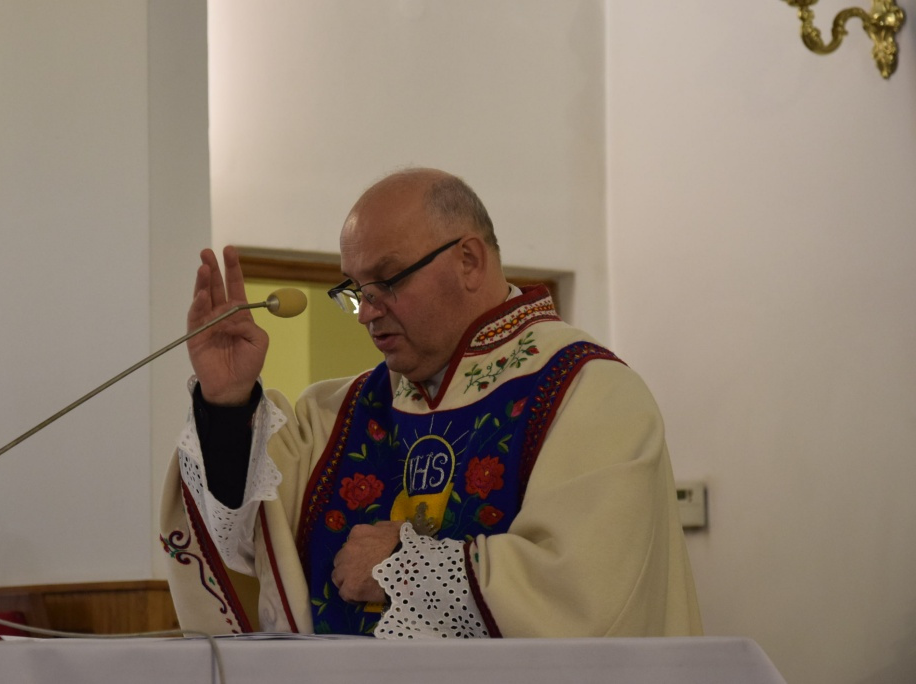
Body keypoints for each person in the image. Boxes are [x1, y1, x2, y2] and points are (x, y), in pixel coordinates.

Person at [160, 168, 702, 638]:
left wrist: (403, 566)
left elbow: (583, 591)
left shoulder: (586, 390)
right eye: (357, 290)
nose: (367, 312)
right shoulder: (336, 415)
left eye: (386, 281)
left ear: (469, 260)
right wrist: (227, 403)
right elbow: (246, 541)